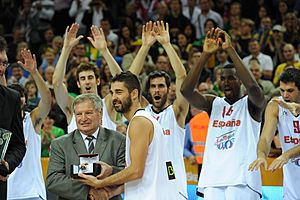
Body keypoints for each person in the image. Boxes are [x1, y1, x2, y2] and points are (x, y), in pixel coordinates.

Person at [181, 28, 266, 199]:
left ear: (240, 80)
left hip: (243, 179)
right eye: (222, 78)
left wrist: (229, 49)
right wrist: (205, 55)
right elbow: (186, 91)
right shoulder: (214, 104)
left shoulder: (251, 104)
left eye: (231, 78)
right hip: (213, 178)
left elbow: (253, 88)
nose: (226, 82)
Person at [79, 72, 179, 199]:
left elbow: (136, 171)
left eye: (119, 92)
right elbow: (144, 172)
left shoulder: (139, 122)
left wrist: (100, 183)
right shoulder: (143, 119)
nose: (114, 97)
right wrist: (112, 192)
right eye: (112, 92)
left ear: (134, 94)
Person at [130, 21, 189, 199]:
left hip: (173, 183)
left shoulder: (177, 112)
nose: (157, 90)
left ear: (168, 89)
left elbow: (182, 76)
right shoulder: (143, 113)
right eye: (153, 86)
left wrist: (166, 44)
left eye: (161, 86)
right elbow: (129, 80)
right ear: (148, 91)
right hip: (147, 185)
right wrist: (145, 46)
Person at [46, 93, 126, 200]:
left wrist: (111, 171)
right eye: (79, 114)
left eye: (88, 113)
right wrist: (88, 191)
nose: (83, 119)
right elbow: (53, 180)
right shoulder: (60, 144)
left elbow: (127, 173)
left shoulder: (118, 140)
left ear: (100, 114)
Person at [53, 23, 123, 133]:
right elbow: (57, 83)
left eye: (90, 77)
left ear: (98, 81)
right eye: (83, 79)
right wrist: (66, 49)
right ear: (78, 84)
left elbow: (122, 81)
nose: (87, 82)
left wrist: (104, 51)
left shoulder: (108, 104)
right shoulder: (72, 106)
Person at [249, 68, 300, 200]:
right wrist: (261, 155)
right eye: (282, 90)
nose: (285, 95)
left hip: (289, 158)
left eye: (290, 91)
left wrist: (286, 155)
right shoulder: (276, 105)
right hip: (292, 181)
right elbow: (265, 138)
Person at [0, 37, 26, 200]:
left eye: (4, 63)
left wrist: (7, 164)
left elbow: (18, 145)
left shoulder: (12, 98)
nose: (1, 69)